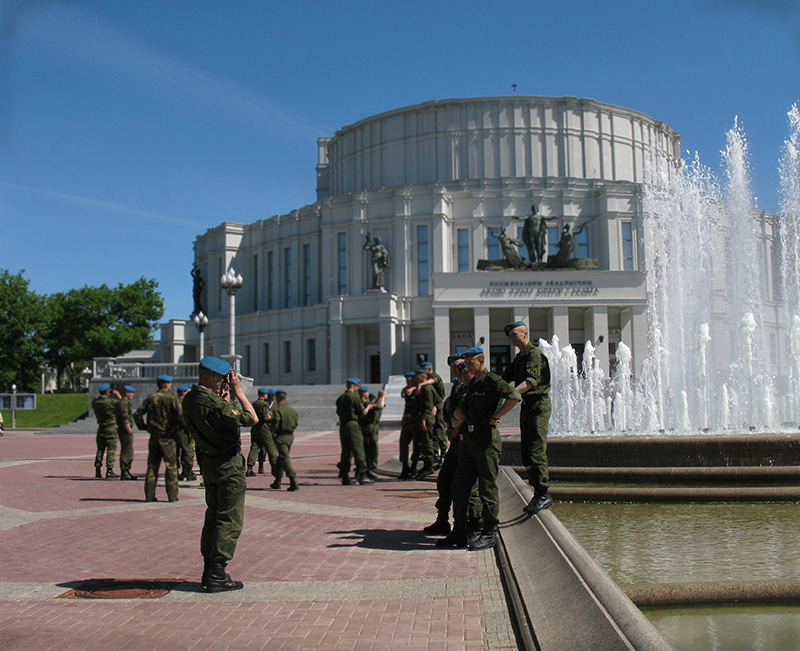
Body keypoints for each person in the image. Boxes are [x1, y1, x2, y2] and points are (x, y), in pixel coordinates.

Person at [182, 356, 256, 593]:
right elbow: (252, 418)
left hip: (208, 464)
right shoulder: (215, 404)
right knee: (229, 519)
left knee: (212, 516)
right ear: (215, 377)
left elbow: (220, 416)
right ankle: (217, 573)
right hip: (227, 465)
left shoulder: (191, 398)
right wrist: (239, 394)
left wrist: (225, 399)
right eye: (225, 378)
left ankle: (209, 569)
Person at [437, 348, 521, 551]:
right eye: (464, 363)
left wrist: (496, 415)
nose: (465, 367)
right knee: (460, 486)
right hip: (468, 441)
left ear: (481, 361)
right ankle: (459, 530)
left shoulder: (491, 380)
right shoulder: (471, 383)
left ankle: (489, 531)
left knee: (486, 487)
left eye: (469, 363)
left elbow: (514, 395)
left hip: (485, 440)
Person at [423, 355, 483, 537]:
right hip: (456, 442)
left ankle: (472, 525)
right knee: (445, 480)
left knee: (467, 487)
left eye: (460, 366)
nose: (457, 370)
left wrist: (455, 427)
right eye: (454, 367)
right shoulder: (456, 388)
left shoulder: (471, 387)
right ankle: (443, 521)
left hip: (469, 441)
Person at [502, 321, 553, 515]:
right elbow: (506, 376)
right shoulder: (520, 357)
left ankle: (543, 493)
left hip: (538, 405)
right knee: (526, 451)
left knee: (536, 450)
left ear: (525, 334)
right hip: (527, 405)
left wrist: (510, 394)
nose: (512, 338)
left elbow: (530, 382)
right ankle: (537, 492)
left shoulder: (533, 354)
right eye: (511, 336)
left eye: (515, 334)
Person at [134, 374, 183, 503]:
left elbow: (137, 413)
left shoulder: (151, 398)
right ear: (167, 384)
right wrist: (180, 428)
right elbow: (181, 416)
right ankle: (172, 495)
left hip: (155, 436)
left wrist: (143, 427)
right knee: (171, 467)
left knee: (152, 466)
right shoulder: (173, 399)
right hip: (169, 437)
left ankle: (149, 495)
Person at [335, 377, 373, 485]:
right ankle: (362, 474)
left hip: (343, 425)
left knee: (346, 451)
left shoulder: (340, 398)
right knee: (358, 449)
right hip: (353, 425)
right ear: (355, 386)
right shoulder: (354, 397)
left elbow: (338, 412)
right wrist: (368, 408)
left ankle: (344, 476)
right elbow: (361, 413)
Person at [419, 360, 447, 467]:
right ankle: (435, 452)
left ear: (429, 369)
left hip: (438, 405)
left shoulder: (435, 376)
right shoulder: (426, 379)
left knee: (439, 428)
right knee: (433, 430)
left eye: (424, 371)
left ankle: (443, 451)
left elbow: (434, 381)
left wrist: (421, 384)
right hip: (431, 406)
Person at [270, 389, 299, 491]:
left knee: (284, 457)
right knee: (281, 458)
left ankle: (293, 480)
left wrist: (271, 428)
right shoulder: (291, 410)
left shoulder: (277, 410)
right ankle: (277, 480)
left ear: (277, 398)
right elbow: (296, 423)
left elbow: (276, 423)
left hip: (281, 436)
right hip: (290, 436)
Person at [246, 389, 277, 477]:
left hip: (255, 426)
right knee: (270, 447)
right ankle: (274, 467)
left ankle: (249, 468)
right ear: (263, 394)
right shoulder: (263, 404)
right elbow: (265, 417)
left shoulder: (254, 403)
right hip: (263, 427)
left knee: (254, 447)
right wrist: (270, 416)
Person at [92, 383, 120, 478]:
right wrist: (118, 396)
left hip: (101, 428)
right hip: (110, 428)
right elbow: (122, 405)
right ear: (108, 391)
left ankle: (97, 469)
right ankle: (109, 470)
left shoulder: (95, 402)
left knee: (100, 450)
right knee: (111, 450)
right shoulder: (111, 402)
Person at [415, 368, 437, 479]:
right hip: (425, 416)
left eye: (417, 376)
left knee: (427, 440)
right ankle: (426, 465)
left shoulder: (427, 388)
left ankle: (429, 466)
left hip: (427, 418)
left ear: (423, 377)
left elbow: (429, 407)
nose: (415, 378)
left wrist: (424, 419)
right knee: (424, 441)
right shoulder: (424, 387)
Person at [398, 372, 420, 479]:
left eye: (410, 379)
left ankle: (414, 467)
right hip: (408, 420)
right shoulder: (406, 390)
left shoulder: (419, 389)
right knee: (403, 442)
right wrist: (403, 418)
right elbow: (407, 406)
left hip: (416, 420)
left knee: (417, 445)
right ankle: (405, 467)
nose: (408, 381)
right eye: (406, 379)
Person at [115, 385, 137, 480]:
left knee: (129, 450)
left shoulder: (124, 402)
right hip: (125, 430)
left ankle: (127, 470)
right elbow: (124, 418)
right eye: (131, 393)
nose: (132, 395)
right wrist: (129, 430)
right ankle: (124, 471)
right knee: (126, 450)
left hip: (125, 430)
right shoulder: (123, 403)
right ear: (126, 393)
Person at [176, 384, 197, 480]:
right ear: (183, 392)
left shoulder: (174, 401)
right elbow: (182, 417)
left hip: (175, 430)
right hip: (183, 430)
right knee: (187, 449)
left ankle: (182, 471)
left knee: (177, 451)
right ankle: (188, 471)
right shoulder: (182, 402)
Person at [362, 390, 385, 471]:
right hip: (371, 427)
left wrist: (379, 397)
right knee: (372, 445)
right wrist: (383, 397)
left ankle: (370, 462)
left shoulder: (369, 403)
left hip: (372, 426)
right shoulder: (369, 404)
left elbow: (375, 403)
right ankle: (371, 463)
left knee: (370, 445)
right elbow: (380, 406)